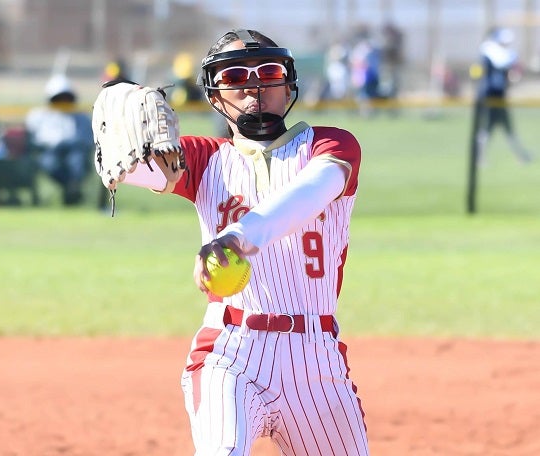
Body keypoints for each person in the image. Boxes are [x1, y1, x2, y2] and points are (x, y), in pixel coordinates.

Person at [96, 29, 369, 455]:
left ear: (289, 82)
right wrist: (125, 160)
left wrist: (239, 237)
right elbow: (148, 170)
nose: (254, 86)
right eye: (235, 75)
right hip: (233, 351)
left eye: (268, 71)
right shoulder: (206, 159)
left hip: (318, 358)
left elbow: (309, 193)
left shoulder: (331, 145)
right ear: (214, 94)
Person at [25, 74, 95, 205]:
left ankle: (73, 187)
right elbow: (34, 139)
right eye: (59, 98)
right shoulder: (39, 116)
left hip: (75, 151)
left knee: (77, 162)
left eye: (66, 98)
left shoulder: (82, 118)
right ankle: (70, 188)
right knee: (50, 163)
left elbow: (87, 141)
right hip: (49, 152)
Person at [471, 27, 532, 164]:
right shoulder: (490, 51)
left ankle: (521, 156)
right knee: (490, 128)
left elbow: (510, 74)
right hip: (490, 97)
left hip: (499, 97)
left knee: (502, 128)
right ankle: (480, 158)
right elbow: (500, 64)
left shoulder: (504, 54)